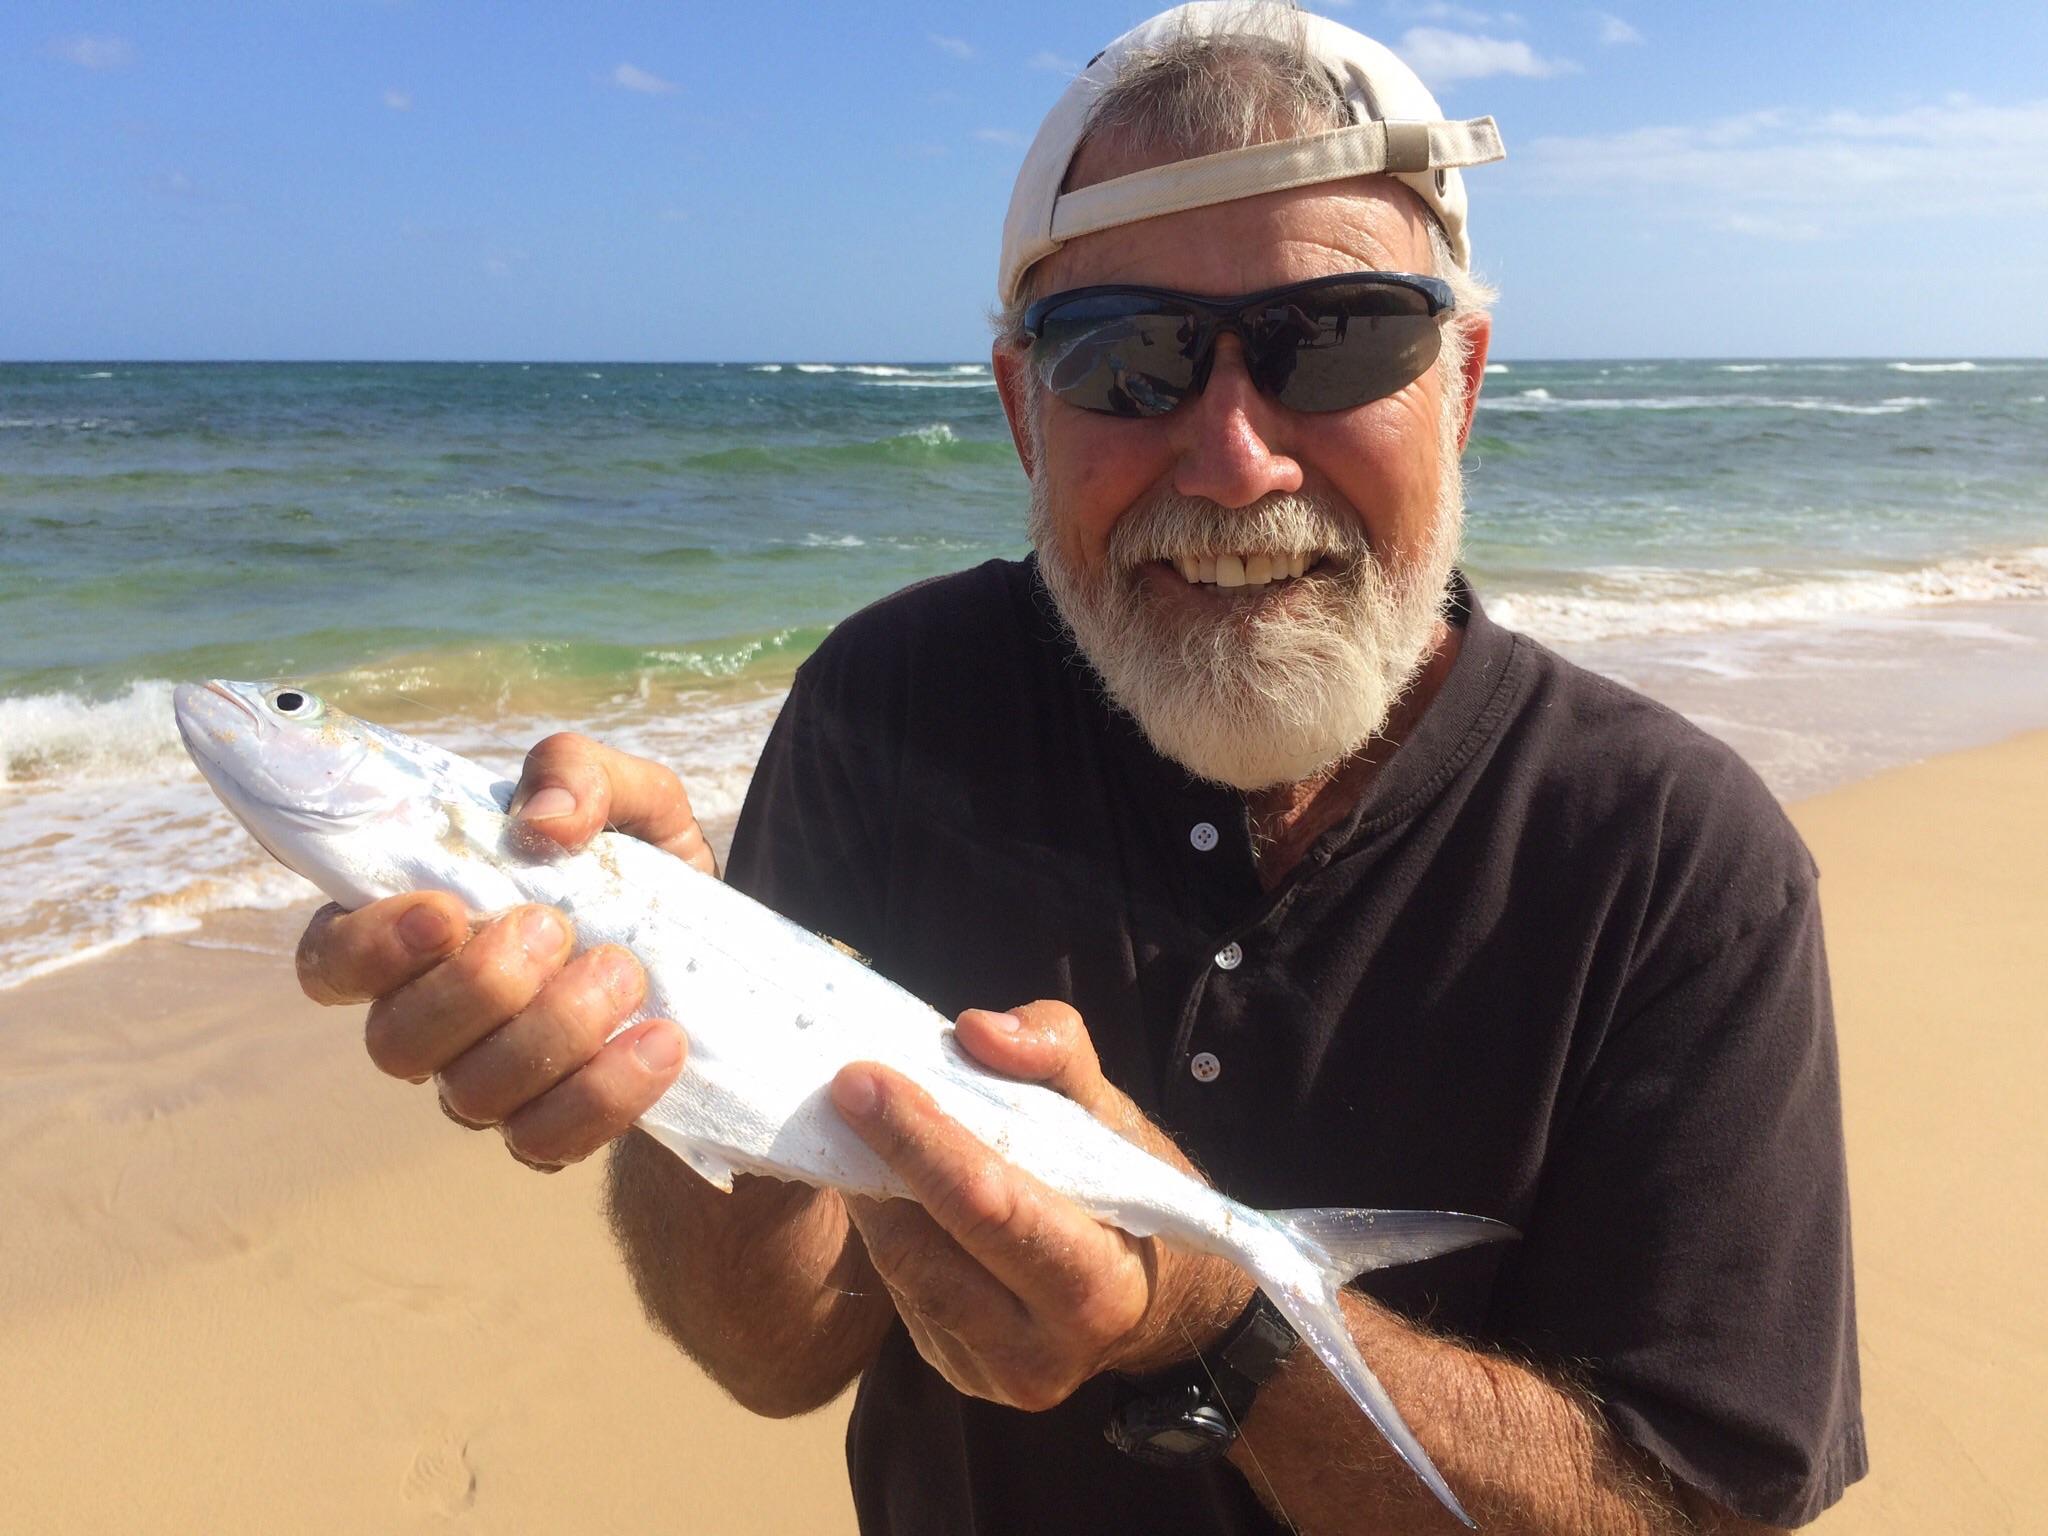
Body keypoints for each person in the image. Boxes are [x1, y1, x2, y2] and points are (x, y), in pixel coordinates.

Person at [295, 5, 1865, 1531]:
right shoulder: (892, 707)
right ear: (1018, 409)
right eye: (1126, 360)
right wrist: (679, 1000)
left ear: (1457, 384)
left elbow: (1699, 1511)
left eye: (1338, 342)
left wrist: (1218, 1320)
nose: (1237, 457)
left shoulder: (1675, 861)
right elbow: (781, 1352)